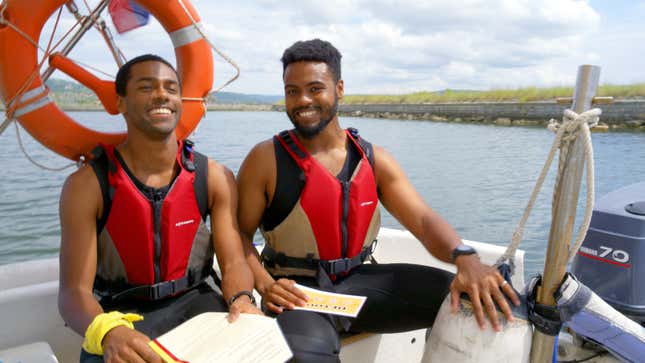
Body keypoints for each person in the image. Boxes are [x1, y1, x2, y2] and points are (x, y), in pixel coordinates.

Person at [236, 39, 520, 362]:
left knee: (479, 303)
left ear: (339, 88)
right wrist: (264, 284)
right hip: (298, 293)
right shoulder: (265, 160)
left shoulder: (373, 160)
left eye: (315, 89)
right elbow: (238, 236)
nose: (303, 100)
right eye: (292, 91)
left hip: (362, 283)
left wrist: (466, 260)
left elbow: (424, 221)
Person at [58, 54, 261, 363]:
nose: (162, 94)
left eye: (170, 87)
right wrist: (109, 331)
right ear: (121, 103)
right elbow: (73, 293)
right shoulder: (87, 186)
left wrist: (242, 298)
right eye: (146, 87)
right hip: (122, 314)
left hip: (198, 304)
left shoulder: (215, 177)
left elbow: (232, 263)